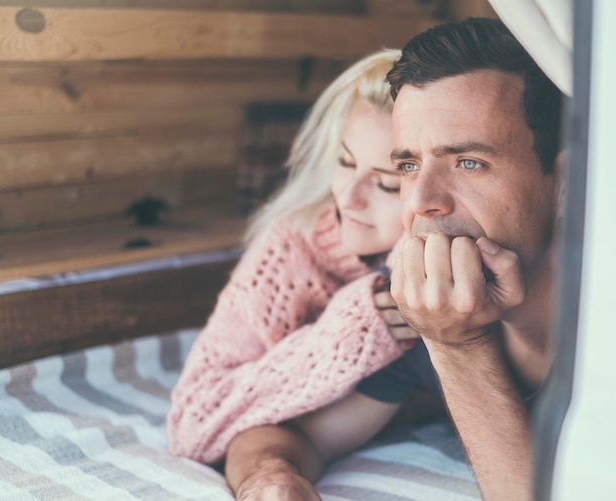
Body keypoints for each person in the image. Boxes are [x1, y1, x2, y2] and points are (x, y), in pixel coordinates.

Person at [167, 49, 425, 500]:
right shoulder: (291, 248)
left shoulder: (446, 250)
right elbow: (192, 424)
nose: (349, 197)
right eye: (345, 162)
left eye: (386, 183)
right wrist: (344, 335)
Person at [387, 18, 563, 501]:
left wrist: (457, 347)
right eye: (408, 166)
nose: (422, 200)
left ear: (570, 183)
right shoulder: (413, 298)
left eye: (468, 163)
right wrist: (271, 475)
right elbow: (288, 431)